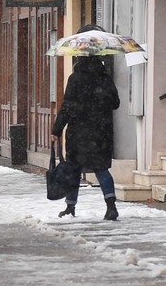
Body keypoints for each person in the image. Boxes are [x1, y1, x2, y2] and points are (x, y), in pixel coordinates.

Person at [51, 29, 121, 220]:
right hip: (101, 132)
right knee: (101, 169)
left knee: (74, 170)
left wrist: (56, 130)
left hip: (79, 133)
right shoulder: (105, 78)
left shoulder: (75, 78)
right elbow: (115, 103)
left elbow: (67, 106)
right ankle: (111, 206)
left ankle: (70, 207)